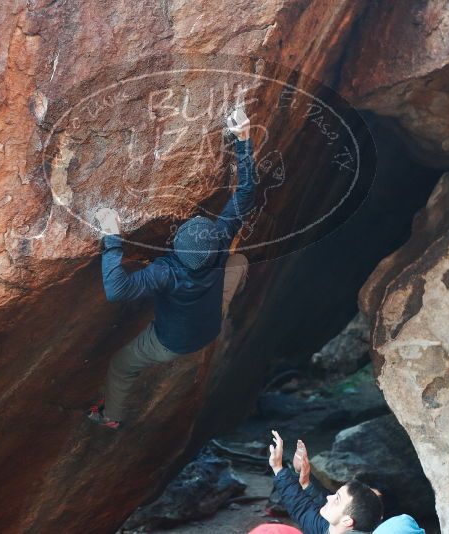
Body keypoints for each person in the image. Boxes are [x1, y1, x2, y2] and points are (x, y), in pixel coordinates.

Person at [86, 104, 256, 430]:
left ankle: (111, 418)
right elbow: (246, 193)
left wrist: (112, 236)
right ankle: (231, 287)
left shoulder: (165, 273)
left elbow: (115, 289)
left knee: (121, 366)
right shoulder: (220, 239)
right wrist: (243, 138)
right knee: (240, 260)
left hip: (172, 342)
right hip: (211, 322)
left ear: (177, 248)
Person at [287, 435, 425, 534]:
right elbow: (321, 504)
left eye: (370, 497)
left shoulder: (394, 529)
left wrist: (280, 471)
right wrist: (304, 480)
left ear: (380, 516)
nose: (330, 498)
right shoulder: (345, 522)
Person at [269, 430, 384, 534]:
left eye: (337, 499)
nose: (329, 498)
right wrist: (306, 483)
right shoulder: (340, 528)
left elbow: (303, 510)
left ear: (347, 521)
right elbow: (303, 510)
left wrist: (278, 468)